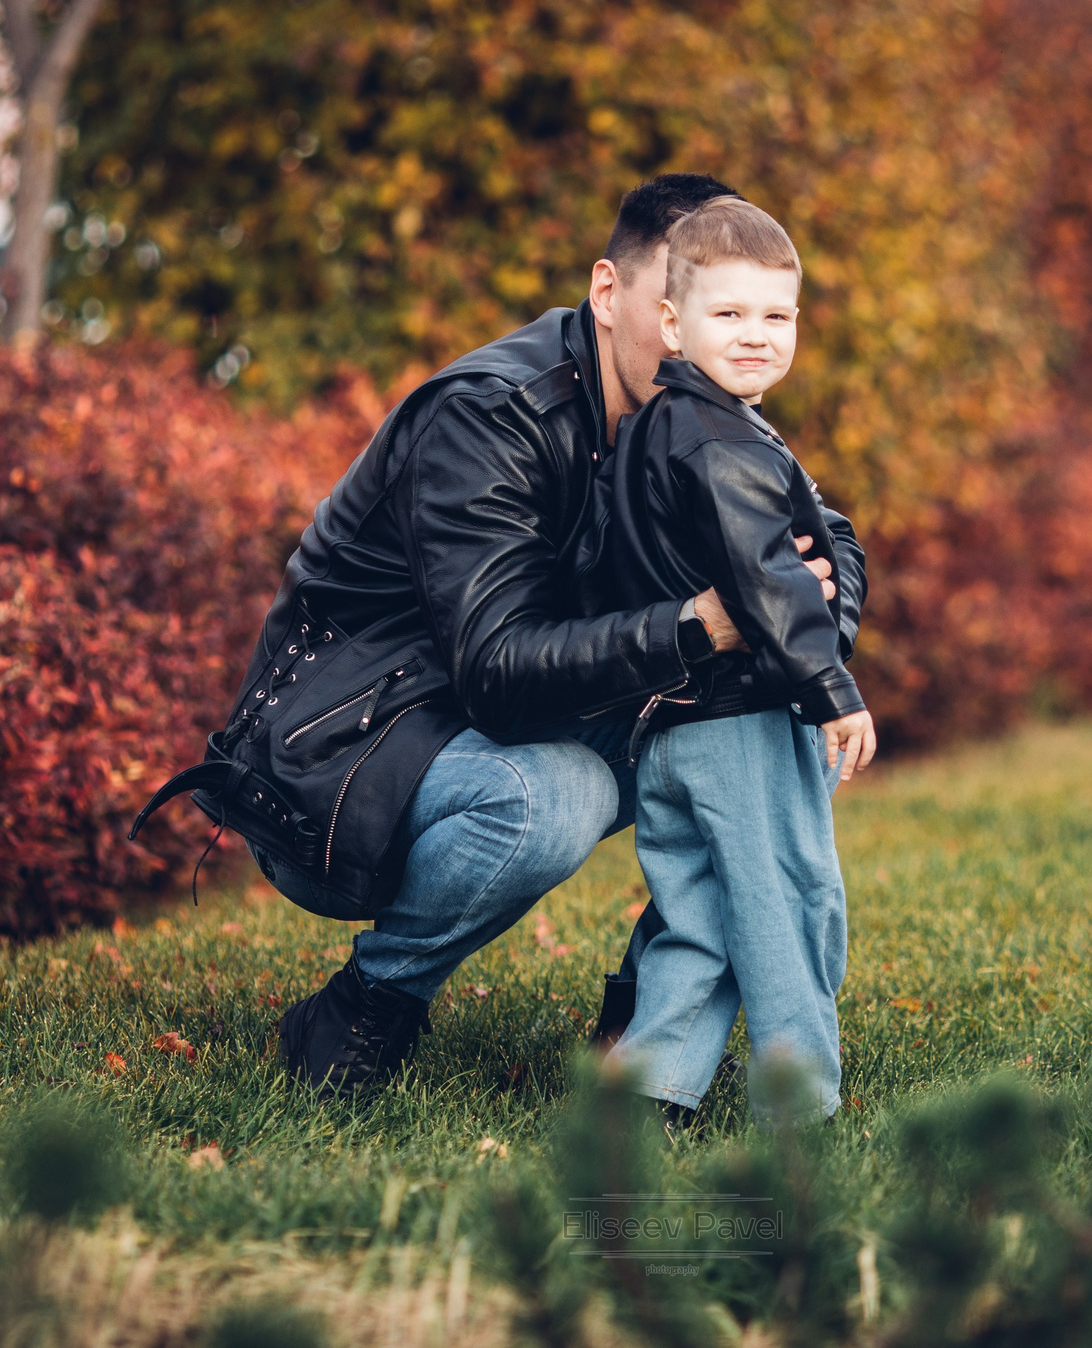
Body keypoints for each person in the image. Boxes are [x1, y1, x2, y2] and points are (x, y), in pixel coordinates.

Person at [127, 174, 865, 1094]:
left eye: (759, 313)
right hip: (348, 760)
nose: (736, 334)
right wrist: (706, 624)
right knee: (557, 796)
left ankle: (648, 1032)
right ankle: (370, 1001)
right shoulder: (491, 415)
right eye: (699, 307)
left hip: (514, 714)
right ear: (614, 293)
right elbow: (499, 672)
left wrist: (804, 636)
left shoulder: (704, 405)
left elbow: (827, 538)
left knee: (767, 726)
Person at [584, 199, 876, 1124]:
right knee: (789, 908)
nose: (756, 334)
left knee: (702, 918)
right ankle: (800, 1103)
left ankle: (649, 1089)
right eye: (730, 313)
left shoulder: (657, 426)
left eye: (776, 314)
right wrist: (831, 688)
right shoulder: (722, 439)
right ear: (672, 323)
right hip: (741, 723)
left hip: (672, 727)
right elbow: (766, 579)